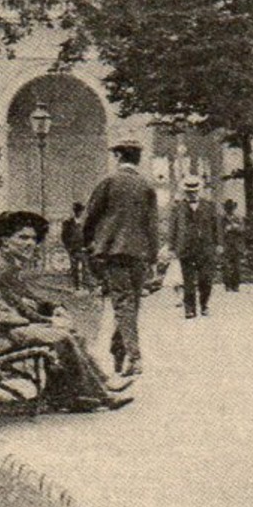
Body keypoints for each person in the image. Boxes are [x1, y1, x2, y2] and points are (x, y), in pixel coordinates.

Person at [0, 213, 132, 412]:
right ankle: (101, 395)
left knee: (62, 333)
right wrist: (22, 322)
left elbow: (1, 302)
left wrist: (38, 319)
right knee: (61, 336)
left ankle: (71, 393)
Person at [82, 136, 159, 376]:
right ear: (138, 158)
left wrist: (87, 244)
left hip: (113, 252)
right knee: (131, 304)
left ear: (118, 156)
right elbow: (152, 225)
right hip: (139, 254)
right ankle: (119, 351)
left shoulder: (108, 182)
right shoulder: (146, 186)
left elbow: (90, 217)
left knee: (123, 303)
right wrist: (153, 255)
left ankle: (133, 357)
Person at [168, 175, 221, 319]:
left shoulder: (209, 206)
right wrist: (171, 247)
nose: (192, 193)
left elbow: (216, 227)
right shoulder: (178, 208)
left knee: (206, 279)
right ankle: (189, 309)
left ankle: (204, 305)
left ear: (199, 191)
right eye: (189, 191)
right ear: (185, 192)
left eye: (195, 191)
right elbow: (172, 228)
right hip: (186, 249)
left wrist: (218, 244)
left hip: (205, 249)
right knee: (188, 281)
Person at [59, 202, 92, 291]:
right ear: (75, 211)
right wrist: (69, 247)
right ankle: (76, 286)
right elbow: (64, 236)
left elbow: (90, 235)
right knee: (74, 268)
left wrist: (88, 246)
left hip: (84, 249)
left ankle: (87, 287)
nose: (79, 213)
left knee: (86, 268)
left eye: (81, 211)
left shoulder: (86, 223)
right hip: (73, 249)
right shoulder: (68, 223)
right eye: (77, 211)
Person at [220, 199, 245, 292]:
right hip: (226, 245)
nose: (229, 210)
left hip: (236, 245)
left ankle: (236, 285)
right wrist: (225, 230)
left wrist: (235, 227)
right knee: (225, 266)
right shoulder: (221, 219)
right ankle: (227, 284)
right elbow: (218, 232)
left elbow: (243, 230)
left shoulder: (238, 218)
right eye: (227, 208)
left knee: (237, 267)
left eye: (231, 208)